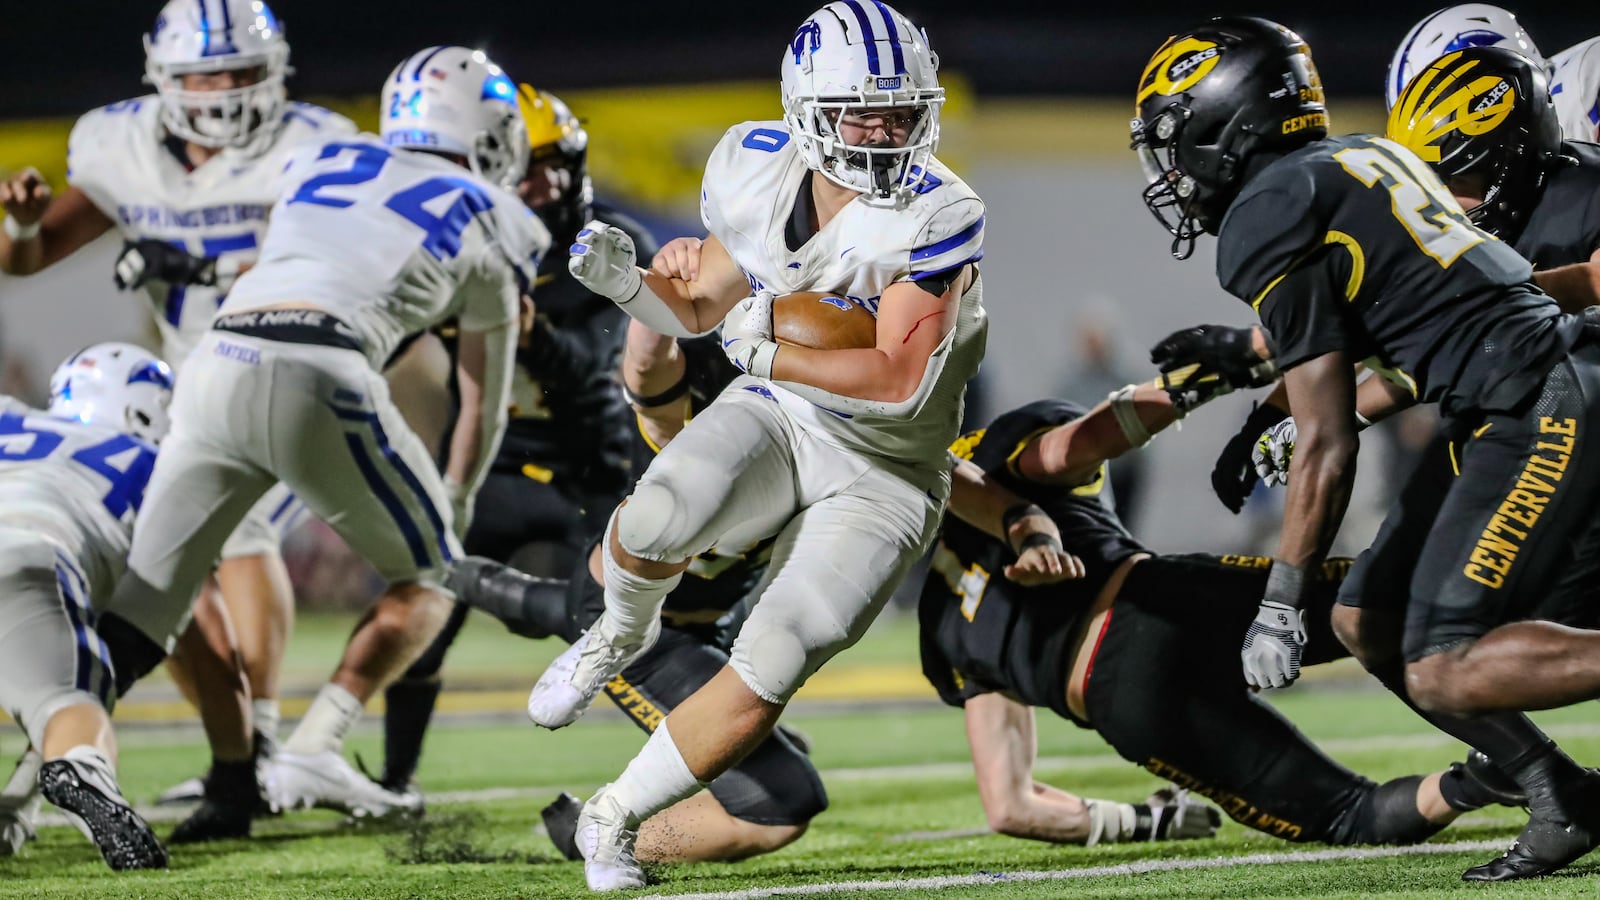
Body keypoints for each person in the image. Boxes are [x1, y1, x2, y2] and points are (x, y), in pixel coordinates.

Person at [525, 3, 987, 890]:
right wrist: (631, 287)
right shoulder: (755, 169)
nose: (890, 132)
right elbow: (696, 313)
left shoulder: (938, 212)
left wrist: (768, 346)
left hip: (888, 462)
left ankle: (615, 819)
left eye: (903, 111)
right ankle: (618, 634)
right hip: (786, 410)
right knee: (659, 510)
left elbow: (898, 379)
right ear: (808, 109)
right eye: (865, 112)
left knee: (781, 647)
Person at [1134, 16, 1600, 881]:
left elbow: (1329, 440)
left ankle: (1550, 782)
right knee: (1365, 618)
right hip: (1515, 388)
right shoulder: (1356, 158)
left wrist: (1280, 599)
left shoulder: (1267, 211)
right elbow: (1403, 326)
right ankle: (1558, 792)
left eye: (1172, 137)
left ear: (1222, 121)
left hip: (1536, 398)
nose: (1169, 166)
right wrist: (1257, 393)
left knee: (1447, 666)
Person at [91, 45, 548, 832]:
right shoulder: (490, 212)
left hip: (217, 360)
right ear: (489, 132)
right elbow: (482, 401)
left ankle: (57, 762)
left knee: (140, 609)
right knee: (434, 575)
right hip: (320, 367)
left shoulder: (322, 160)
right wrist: (458, 503)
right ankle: (316, 743)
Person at [0, 0, 357, 839]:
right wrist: (17, 225)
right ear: (164, 79)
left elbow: (349, 257)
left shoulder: (314, 144)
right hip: (192, 378)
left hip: (296, 364)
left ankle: (253, 739)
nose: (225, 91)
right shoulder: (116, 148)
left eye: (240, 72)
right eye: (205, 75)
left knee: (239, 540)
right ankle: (230, 749)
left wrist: (204, 259)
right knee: (178, 572)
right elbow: (28, 258)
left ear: (275, 74)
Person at [923, 350, 1523, 847]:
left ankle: (1478, 782)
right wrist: (1197, 378)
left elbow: (1009, 806)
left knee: (1350, 815)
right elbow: (1084, 442)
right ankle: (1558, 620)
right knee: (1388, 601)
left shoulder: (938, 630)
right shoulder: (986, 453)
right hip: (1151, 606)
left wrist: (1143, 820)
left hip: (1127, 708)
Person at [376, 86, 653, 797]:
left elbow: (598, 378)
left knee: (600, 625)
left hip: (586, 473)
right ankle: (390, 783)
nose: (547, 183)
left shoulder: (609, 247)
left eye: (557, 163)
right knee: (415, 606)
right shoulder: (452, 247)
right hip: (490, 461)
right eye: (528, 167)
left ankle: (711, 739)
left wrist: (531, 334)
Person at [0, 343, 173, 870]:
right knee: (69, 697)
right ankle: (85, 765)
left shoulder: (9, 414)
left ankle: (12, 805)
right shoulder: (163, 465)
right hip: (29, 551)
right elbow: (185, 622)